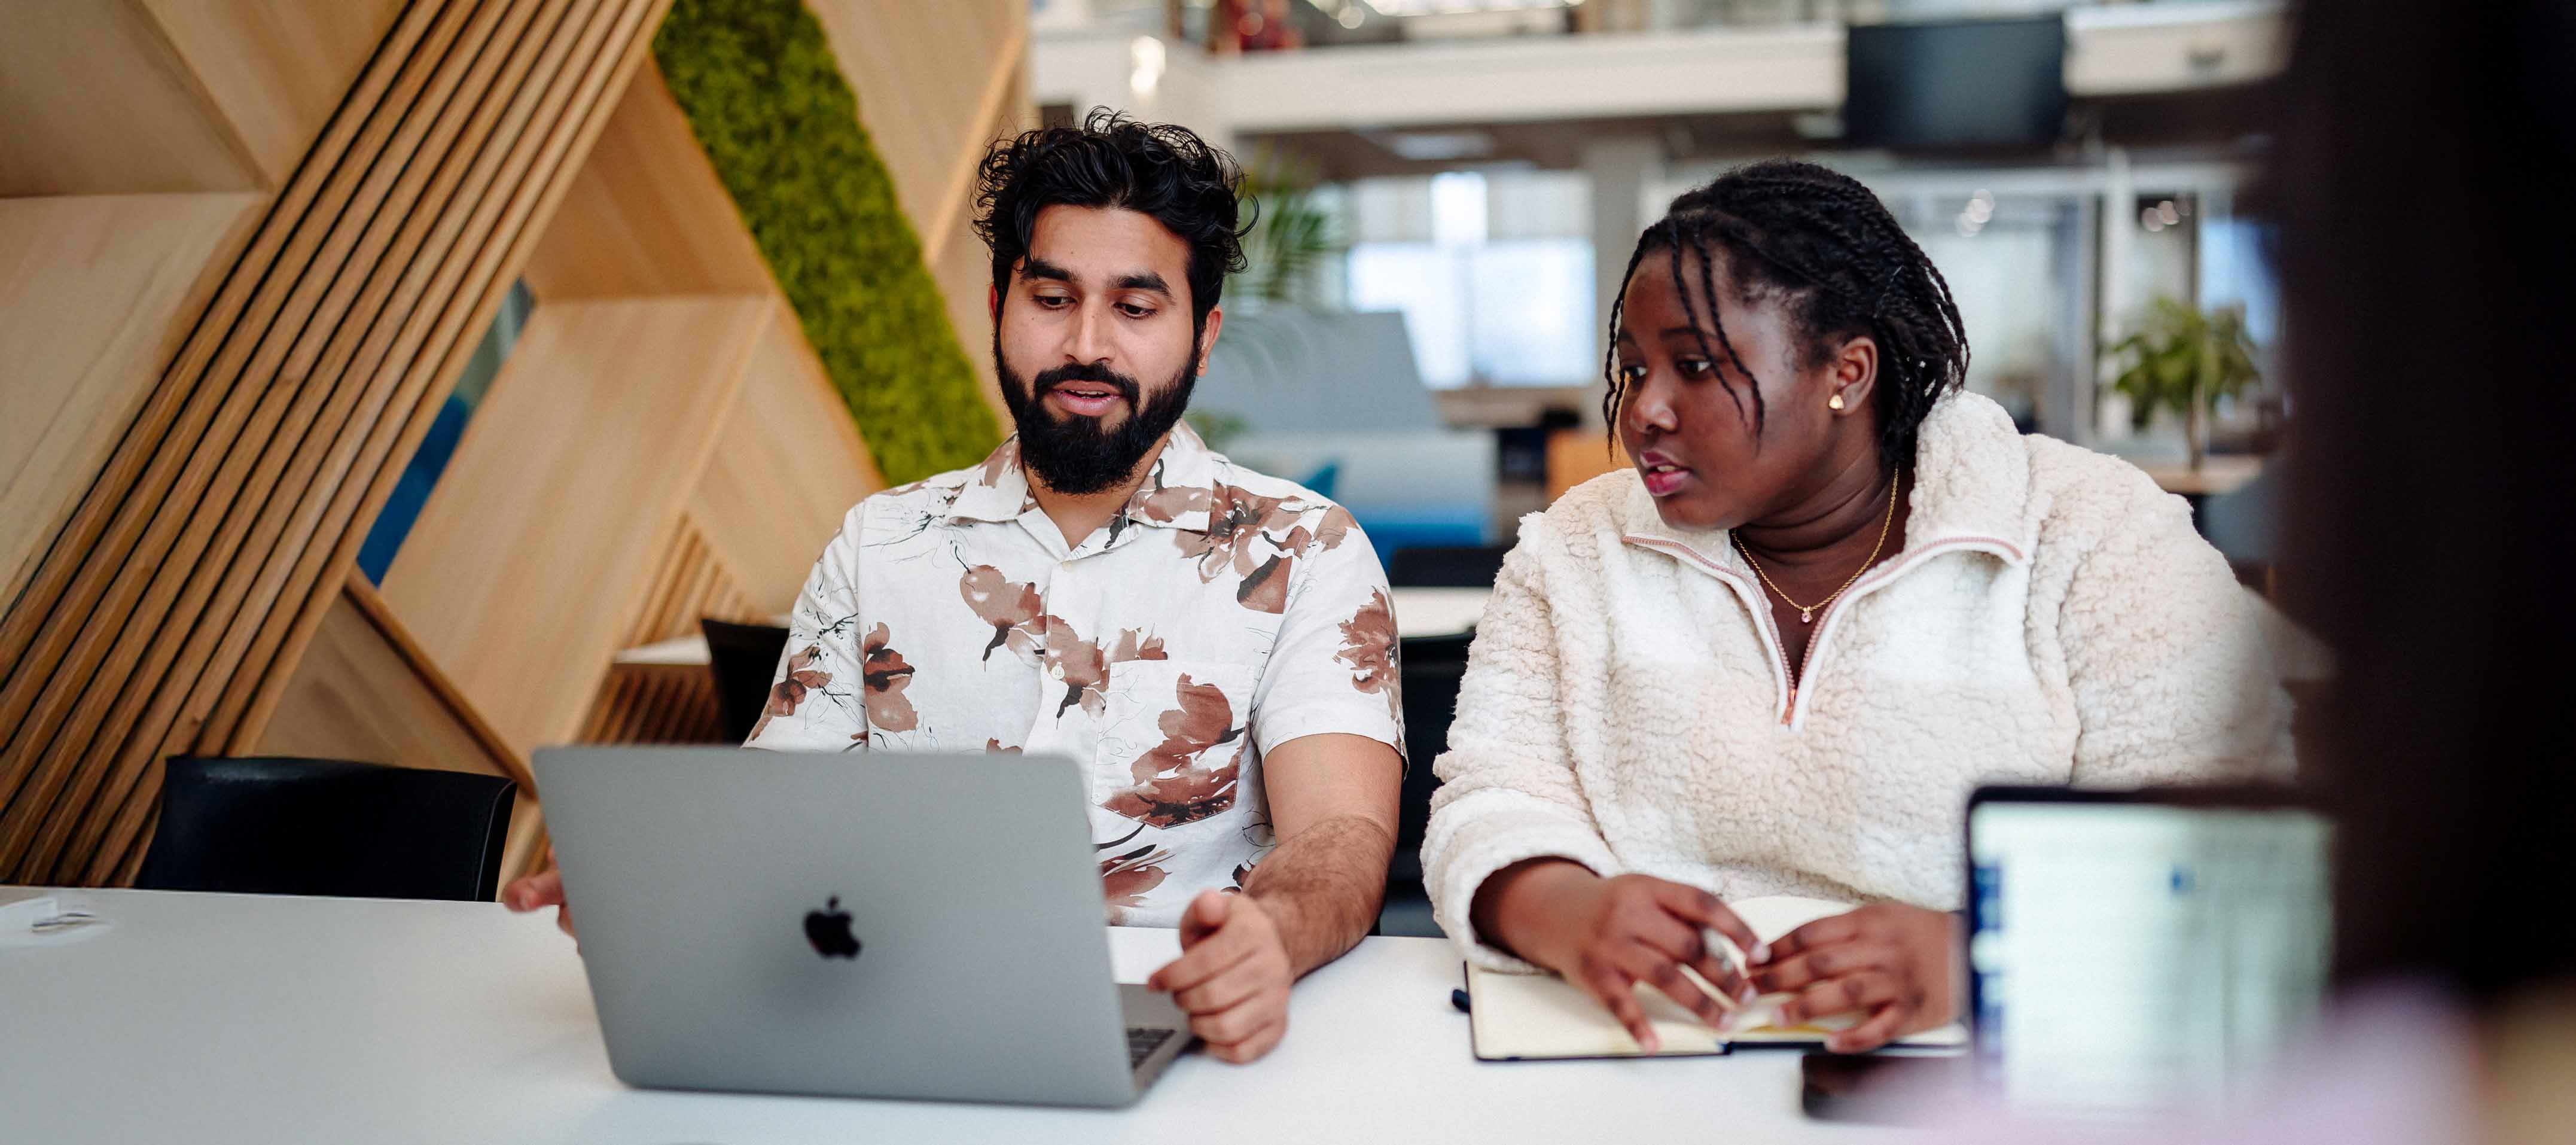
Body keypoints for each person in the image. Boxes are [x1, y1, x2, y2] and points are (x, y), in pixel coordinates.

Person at [508, 111, 1406, 1065]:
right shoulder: (880, 544)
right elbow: (774, 815)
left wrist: (1271, 937)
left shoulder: (1305, 547)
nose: (1087, 346)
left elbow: (1341, 834)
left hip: (1185, 1020)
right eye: (1052, 298)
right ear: (996, 307)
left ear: (1204, 334)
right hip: (887, 1011)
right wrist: (654, 879)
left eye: (1136, 309)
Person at [1420, 159, 2293, 1054]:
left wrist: (1978, 956)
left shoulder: (2089, 528)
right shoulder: (1576, 548)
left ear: (1847, 371)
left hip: (1993, 1067)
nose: (1645, 409)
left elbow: (2224, 838)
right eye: (1633, 369)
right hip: (1644, 1058)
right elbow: (1490, 794)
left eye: (1694, 366)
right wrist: (1565, 908)